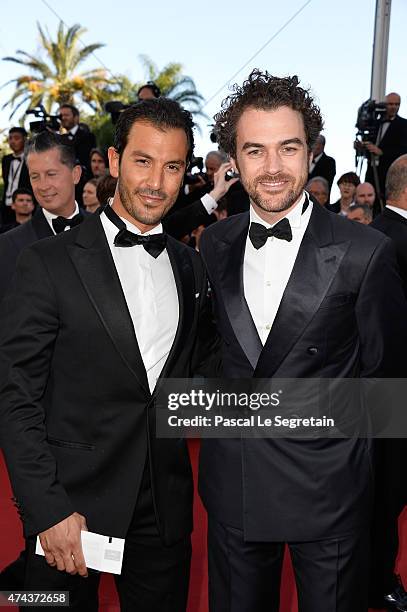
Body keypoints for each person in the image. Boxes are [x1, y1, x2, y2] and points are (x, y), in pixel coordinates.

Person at [198, 69, 407, 612]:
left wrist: (377, 509)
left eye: (287, 148)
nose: (271, 168)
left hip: (330, 495)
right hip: (235, 488)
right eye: (254, 151)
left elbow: (385, 390)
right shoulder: (216, 243)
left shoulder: (365, 251)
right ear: (233, 162)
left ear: (312, 153)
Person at [0, 97, 215, 611]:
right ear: (115, 161)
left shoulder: (192, 267)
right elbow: (15, 395)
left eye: (172, 167)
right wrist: (47, 511)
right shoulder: (46, 262)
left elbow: (203, 376)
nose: (156, 183)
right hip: (68, 509)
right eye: (143, 161)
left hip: (160, 512)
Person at [369, 154, 407, 610]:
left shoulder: (372, 233)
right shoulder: (392, 241)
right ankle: (378, 580)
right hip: (392, 393)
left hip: (377, 393)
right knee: (386, 496)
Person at [0, 131, 84, 303]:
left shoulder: (105, 229)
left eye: (51, 174)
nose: (43, 186)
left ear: (75, 174)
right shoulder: (9, 245)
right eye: (35, 176)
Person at [363, 92, 407, 198]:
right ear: (384, 105)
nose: (394, 107)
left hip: (389, 174)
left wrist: (381, 152)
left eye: (397, 104)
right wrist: (362, 147)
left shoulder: (404, 125)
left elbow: (403, 151)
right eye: (390, 104)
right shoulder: (375, 123)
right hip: (371, 172)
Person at [1, 127, 31, 225]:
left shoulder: (30, 159)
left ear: (25, 139)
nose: (13, 141)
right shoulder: (6, 159)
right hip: (6, 205)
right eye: (10, 138)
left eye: (17, 138)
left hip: (24, 206)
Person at [59, 103, 96, 171]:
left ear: (76, 118)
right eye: (61, 116)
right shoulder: (59, 139)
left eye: (66, 115)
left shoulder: (88, 136)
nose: (63, 118)